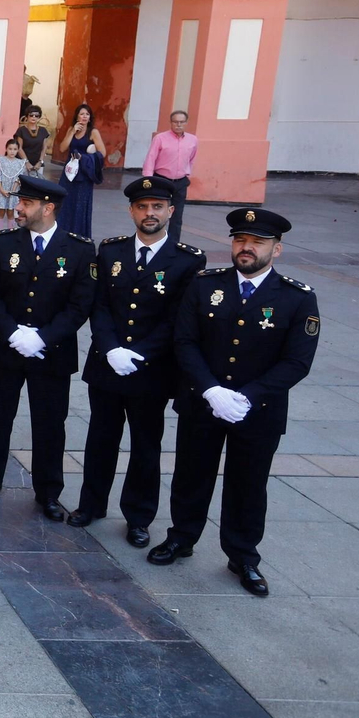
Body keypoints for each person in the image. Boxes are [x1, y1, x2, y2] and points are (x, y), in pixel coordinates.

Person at [149, 208, 319, 597]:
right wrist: (210, 390)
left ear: (276, 250)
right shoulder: (204, 285)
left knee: (248, 483)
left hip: (258, 411)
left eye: (257, 242)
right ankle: (182, 537)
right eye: (241, 240)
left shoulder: (297, 298)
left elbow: (297, 362)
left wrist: (249, 397)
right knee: (191, 474)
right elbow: (185, 341)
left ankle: (243, 555)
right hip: (203, 402)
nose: (246, 248)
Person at [71, 176, 206, 547]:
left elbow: (179, 318)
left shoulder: (188, 260)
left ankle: (139, 516)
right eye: (142, 206)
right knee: (101, 438)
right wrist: (110, 348)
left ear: (171, 211)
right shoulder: (110, 251)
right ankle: (91, 504)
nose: (150, 213)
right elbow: (99, 304)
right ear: (131, 211)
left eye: (157, 207)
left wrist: (141, 353)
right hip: (107, 364)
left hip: (152, 369)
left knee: (146, 445)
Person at [0, 175, 96, 517]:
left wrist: (42, 338)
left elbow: (80, 305)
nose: (19, 209)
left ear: (48, 208)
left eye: (26, 203)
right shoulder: (2, 243)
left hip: (51, 353)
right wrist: (13, 333)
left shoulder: (79, 250)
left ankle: (48, 492)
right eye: (20, 202)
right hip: (6, 347)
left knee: (50, 424)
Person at [142, 110, 199, 240]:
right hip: (162, 180)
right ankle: (154, 240)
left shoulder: (193, 140)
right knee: (157, 213)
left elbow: (192, 158)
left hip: (180, 182)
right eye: (175, 122)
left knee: (177, 216)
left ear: (186, 123)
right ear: (171, 123)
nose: (178, 125)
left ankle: (173, 244)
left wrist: (187, 172)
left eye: (182, 122)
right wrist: (148, 180)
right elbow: (151, 158)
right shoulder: (160, 138)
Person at [55, 102, 104, 239]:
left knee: (80, 205)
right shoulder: (71, 129)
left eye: (87, 114)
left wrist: (84, 158)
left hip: (84, 174)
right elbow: (62, 148)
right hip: (69, 172)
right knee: (65, 202)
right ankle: (62, 234)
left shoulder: (93, 132)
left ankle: (79, 236)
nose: (84, 116)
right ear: (77, 116)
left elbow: (102, 153)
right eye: (82, 114)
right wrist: (72, 132)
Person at [0, 136, 27, 230]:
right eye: (10, 149)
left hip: (12, 191)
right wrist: (1, 189)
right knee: (1, 211)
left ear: (18, 150)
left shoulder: (20, 163)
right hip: (2, 189)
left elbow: (19, 178)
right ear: (6, 149)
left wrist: (12, 191)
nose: (12, 151)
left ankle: (11, 231)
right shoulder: (0, 160)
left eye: (15, 149)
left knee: (11, 212)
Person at [14, 105, 50, 176]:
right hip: (23, 163)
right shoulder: (21, 130)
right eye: (31, 115)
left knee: (38, 182)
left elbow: (44, 148)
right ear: (27, 116)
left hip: (38, 164)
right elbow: (19, 147)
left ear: (39, 117)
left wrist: (40, 162)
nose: (34, 117)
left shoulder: (43, 130)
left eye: (36, 116)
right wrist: (26, 162)